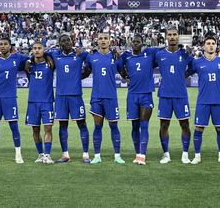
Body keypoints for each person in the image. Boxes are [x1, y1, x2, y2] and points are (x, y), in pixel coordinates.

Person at [0, 37, 29, 164]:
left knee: (13, 126)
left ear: (10, 46)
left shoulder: (17, 58)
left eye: (5, 44)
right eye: (0, 44)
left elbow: (30, 57)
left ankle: (18, 155)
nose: (3, 46)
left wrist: (16, 52)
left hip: (10, 97)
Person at [118, 34, 160, 165]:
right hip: (132, 95)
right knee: (134, 126)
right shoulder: (126, 56)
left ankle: (142, 155)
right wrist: (125, 75)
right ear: (130, 43)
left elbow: (163, 54)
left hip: (146, 94)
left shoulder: (149, 54)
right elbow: (119, 66)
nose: (136, 43)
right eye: (134, 41)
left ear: (142, 44)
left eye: (138, 42)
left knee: (144, 124)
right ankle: (137, 154)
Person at [83, 33, 125, 164]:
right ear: (97, 41)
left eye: (105, 38)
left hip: (111, 97)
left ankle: (117, 155)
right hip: (96, 97)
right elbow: (85, 73)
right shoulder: (91, 57)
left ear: (110, 41)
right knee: (97, 126)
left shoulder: (116, 57)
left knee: (114, 126)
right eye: (100, 38)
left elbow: (124, 74)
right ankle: (97, 156)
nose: (103, 41)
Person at [49, 34, 90, 164]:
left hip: (76, 96)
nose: (66, 42)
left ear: (72, 41)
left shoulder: (80, 54)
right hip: (61, 96)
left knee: (82, 124)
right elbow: (40, 54)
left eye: (68, 40)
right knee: (62, 125)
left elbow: (91, 62)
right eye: (63, 41)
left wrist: (80, 76)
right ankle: (65, 155)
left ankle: (86, 154)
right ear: (59, 43)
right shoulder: (55, 55)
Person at [189, 36, 220, 164]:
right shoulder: (197, 62)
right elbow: (185, 73)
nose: (211, 45)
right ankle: (197, 156)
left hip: (218, 101)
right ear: (204, 46)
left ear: (216, 46)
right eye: (208, 43)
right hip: (203, 101)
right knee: (199, 128)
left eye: (213, 43)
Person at [155, 27, 192, 164]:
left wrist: (182, 76)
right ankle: (166, 154)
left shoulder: (185, 54)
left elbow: (193, 67)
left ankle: (185, 154)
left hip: (181, 95)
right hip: (164, 95)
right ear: (166, 37)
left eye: (174, 35)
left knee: (185, 124)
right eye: (169, 35)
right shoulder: (159, 54)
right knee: (164, 125)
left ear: (178, 37)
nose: (172, 37)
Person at [25, 42, 55, 164]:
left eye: (39, 48)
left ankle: (47, 155)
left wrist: (47, 55)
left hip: (47, 101)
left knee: (48, 128)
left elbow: (55, 53)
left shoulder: (50, 63)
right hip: (33, 102)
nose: (37, 50)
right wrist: (28, 60)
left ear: (44, 50)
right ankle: (40, 154)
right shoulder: (28, 66)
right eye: (35, 48)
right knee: (35, 130)